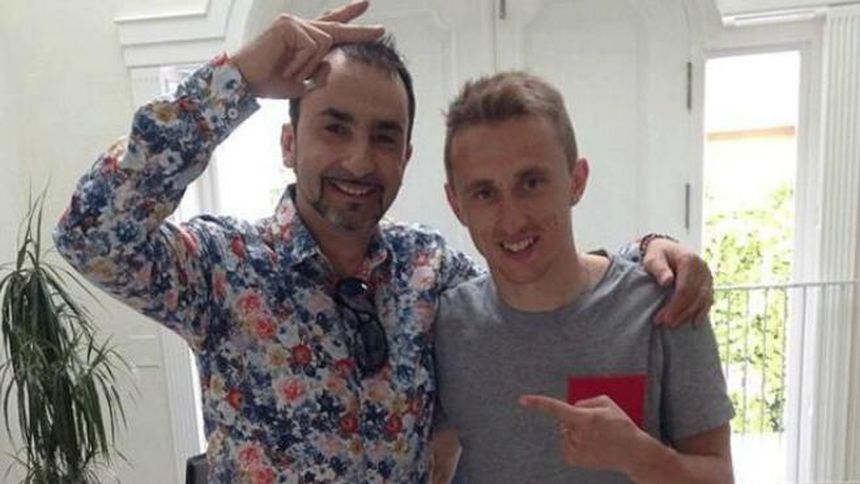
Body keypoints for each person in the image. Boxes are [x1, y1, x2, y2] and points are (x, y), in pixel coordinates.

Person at [54, 2, 714, 482]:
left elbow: (527, 261)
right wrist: (240, 78)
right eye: (334, 128)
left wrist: (649, 253)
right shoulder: (220, 269)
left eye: (384, 137)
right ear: (289, 143)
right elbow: (90, 232)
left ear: (406, 157)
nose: (358, 160)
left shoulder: (430, 270)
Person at [433, 72, 734, 483]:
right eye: (484, 193)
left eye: (531, 183)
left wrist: (642, 457)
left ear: (576, 182)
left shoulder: (666, 306)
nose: (513, 219)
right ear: (457, 205)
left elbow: (721, 476)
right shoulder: (445, 325)